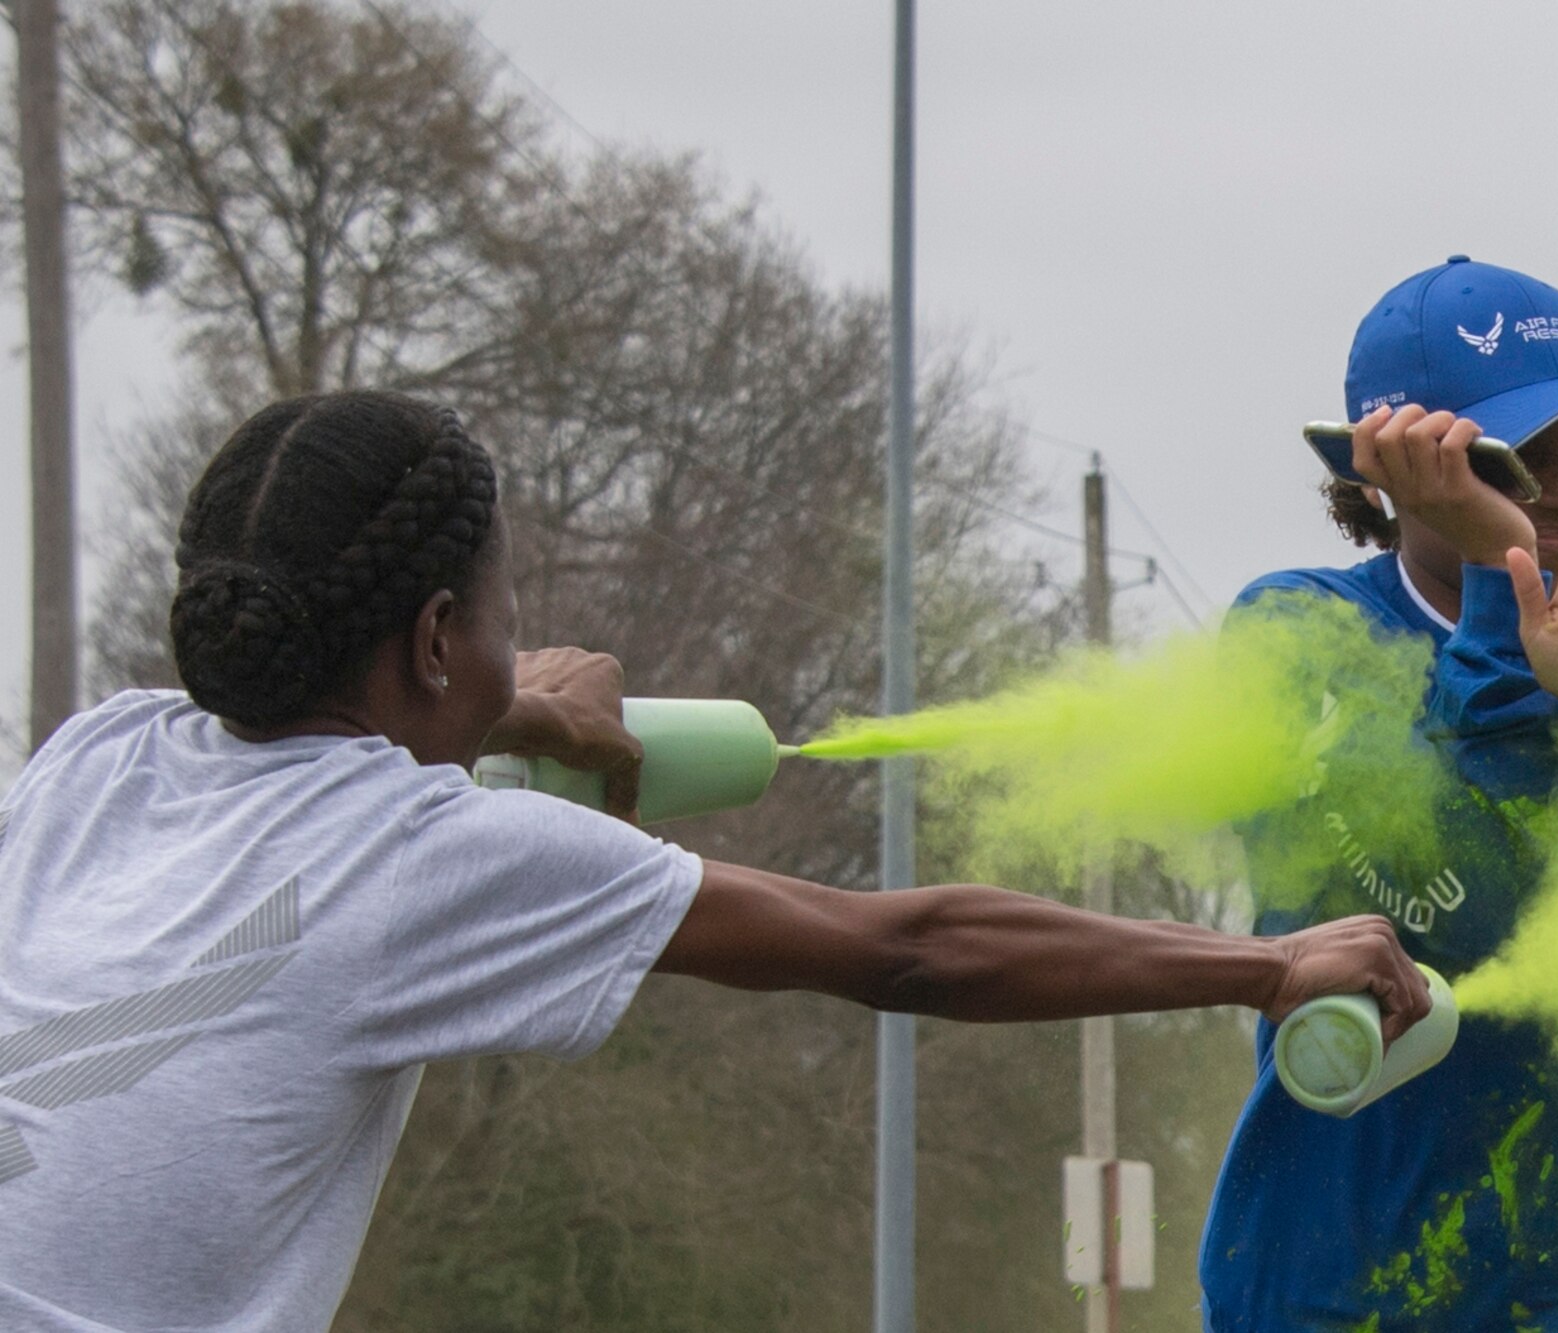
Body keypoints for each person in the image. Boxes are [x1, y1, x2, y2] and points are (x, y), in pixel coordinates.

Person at [0, 391, 1435, 1333]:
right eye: (502, 615)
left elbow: (301, 735)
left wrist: (496, 705)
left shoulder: (94, 760)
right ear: (435, 636)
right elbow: (905, 947)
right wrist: (1266, 963)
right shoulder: (420, 854)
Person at [1198, 257, 1558, 1331]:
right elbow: (1460, 906)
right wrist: (1508, 602)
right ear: (1390, 468)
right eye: (1513, 457)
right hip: (1327, 1296)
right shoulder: (1298, 638)